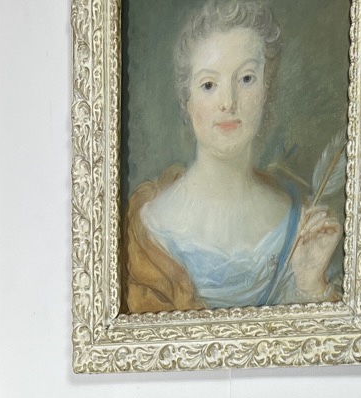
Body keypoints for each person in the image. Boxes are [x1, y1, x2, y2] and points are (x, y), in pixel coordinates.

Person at [126, 1, 342, 313]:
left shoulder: (302, 222)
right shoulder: (148, 228)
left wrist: (311, 286)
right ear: (186, 101)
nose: (228, 102)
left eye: (246, 79)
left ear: (266, 89)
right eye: (209, 84)